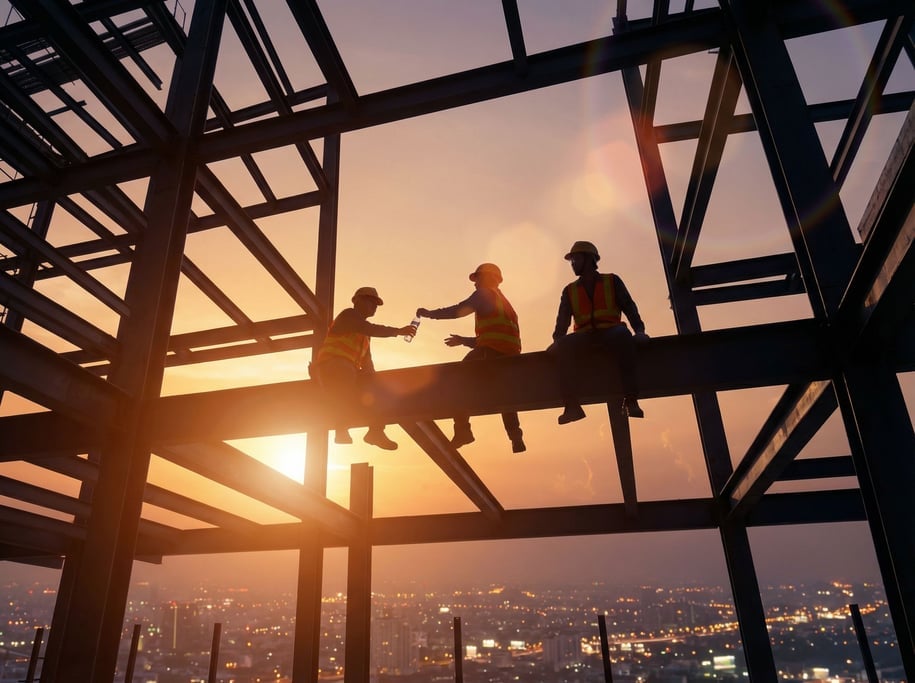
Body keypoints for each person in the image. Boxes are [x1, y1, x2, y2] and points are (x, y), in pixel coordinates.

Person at [417, 263, 526, 453]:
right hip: (509, 355)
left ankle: (462, 431)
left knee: (456, 379)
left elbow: (457, 310)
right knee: (505, 395)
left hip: (491, 353)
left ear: (487, 278)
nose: (475, 285)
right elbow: (494, 336)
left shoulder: (484, 294)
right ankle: (516, 437)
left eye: (477, 279)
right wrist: (464, 341)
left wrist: (430, 314)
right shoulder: (505, 302)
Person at [549, 240, 649, 423]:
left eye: (575, 259)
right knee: (564, 346)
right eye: (571, 261)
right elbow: (561, 321)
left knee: (623, 337)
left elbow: (629, 306)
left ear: (588, 259)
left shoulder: (612, 281)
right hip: (584, 336)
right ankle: (572, 407)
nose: (573, 264)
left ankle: (631, 400)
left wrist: (639, 331)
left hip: (611, 331)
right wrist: (558, 341)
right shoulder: (570, 290)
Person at [310, 286, 417, 450]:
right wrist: (397, 331)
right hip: (330, 366)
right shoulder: (348, 316)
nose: (374, 306)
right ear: (357, 301)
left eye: (375, 304)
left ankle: (375, 432)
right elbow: (370, 328)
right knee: (345, 375)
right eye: (370, 302)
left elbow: (367, 362)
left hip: (347, 370)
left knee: (377, 387)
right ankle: (341, 428)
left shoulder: (364, 335)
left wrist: (374, 383)